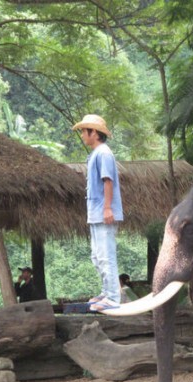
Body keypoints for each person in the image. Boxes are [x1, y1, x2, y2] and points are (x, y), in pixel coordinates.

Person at [72, 114, 123, 313]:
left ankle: (113, 297)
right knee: (97, 256)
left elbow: (107, 180)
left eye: (84, 132)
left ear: (94, 133)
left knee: (106, 255)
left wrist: (107, 208)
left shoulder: (104, 153)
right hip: (95, 213)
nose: (82, 135)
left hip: (103, 212)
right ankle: (106, 292)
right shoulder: (96, 154)